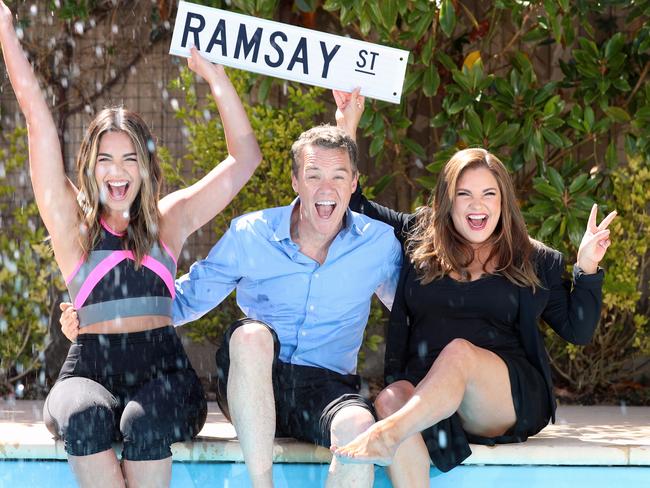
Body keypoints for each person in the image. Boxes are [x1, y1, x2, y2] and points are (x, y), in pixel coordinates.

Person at [0, 2, 263, 487]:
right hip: (90, 368)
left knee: (144, 425)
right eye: (105, 159)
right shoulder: (72, 227)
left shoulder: (170, 220)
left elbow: (244, 158)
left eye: (129, 158)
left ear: (145, 166)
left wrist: (215, 77)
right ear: (89, 165)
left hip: (163, 371)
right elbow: (37, 119)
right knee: (82, 419)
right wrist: (6, 37)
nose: (117, 172)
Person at [60, 123, 403, 487]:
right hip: (253, 384)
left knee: (360, 428)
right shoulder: (251, 234)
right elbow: (186, 298)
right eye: (313, 174)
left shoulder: (378, 245)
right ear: (295, 182)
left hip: (328, 388)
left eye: (338, 176)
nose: (325, 188)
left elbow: (415, 311)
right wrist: (98, 316)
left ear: (354, 183)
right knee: (251, 335)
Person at [332, 89, 616, 487]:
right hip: (428, 399)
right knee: (391, 397)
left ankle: (387, 435)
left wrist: (587, 267)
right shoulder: (419, 236)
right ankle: (396, 430)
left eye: (488, 194)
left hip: (502, 396)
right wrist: (347, 126)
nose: (476, 205)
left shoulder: (536, 259)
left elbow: (578, 330)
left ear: (504, 202)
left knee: (459, 354)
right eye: (463, 194)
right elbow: (352, 204)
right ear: (447, 201)